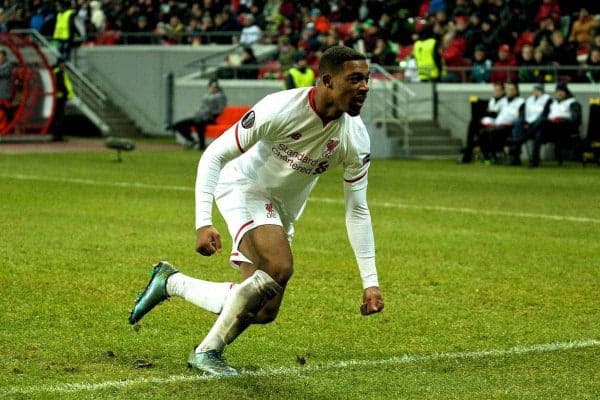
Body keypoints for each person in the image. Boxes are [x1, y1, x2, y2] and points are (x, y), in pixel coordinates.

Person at [128, 46, 384, 376]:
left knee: (262, 310)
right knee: (279, 265)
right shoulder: (281, 108)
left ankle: (170, 282)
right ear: (327, 81)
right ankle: (207, 352)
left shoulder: (355, 138)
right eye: (355, 79)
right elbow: (214, 155)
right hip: (244, 187)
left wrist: (371, 283)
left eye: (367, 79)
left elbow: (357, 210)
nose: (364, 86)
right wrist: (202, 222)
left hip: (281, 212)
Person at [529, 82, 581, 167]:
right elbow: (544, 115)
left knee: (542, 122)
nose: (559, 93)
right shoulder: (552, 103)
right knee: (539, 133)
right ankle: (535, 160)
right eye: (557, 91)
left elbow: (576, 120)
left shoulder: (573, 103)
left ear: (566, 92)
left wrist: (563, 119)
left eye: (562, 91)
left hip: (564, 129)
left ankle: (523, 137)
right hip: (550, 129)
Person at [171, 78, 227, 150]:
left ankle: (202, 144)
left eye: (215, 87)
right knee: (178, 125)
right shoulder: (206, 95)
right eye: (212, 87)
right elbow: (202, 107)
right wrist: (199, 113)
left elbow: (220, 109)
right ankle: (192, 141)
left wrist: (210, 113)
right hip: (199, 117)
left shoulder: (220, 96)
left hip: (211, 118)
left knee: (199, 123)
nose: (213, 88)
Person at [460, 81, 507, 163]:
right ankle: (469, 150)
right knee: (473, 123)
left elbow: (497, 114)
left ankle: (468, 151)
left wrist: (489, 113)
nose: (496, 92)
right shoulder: (492, 100)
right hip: (487, 123)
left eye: (498, 90)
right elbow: (489, 111)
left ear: (503, 91)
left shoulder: (505, 101)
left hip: (498, 125)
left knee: (474, 124)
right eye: (495, 90)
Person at [478, 82, 524, 162]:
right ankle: (489, 156)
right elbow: (494, 111)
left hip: (509, 125)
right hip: (498, 124)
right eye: (508, 90)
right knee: (483, 131)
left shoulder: (520, 102)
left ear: (516, 91)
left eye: (511, 90)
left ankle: (500, 155)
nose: (509, 91)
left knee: (492, 132)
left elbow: (520, 116)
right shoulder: (503, 101)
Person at [507, 83, 551, 165]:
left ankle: (535, 159)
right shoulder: (529, 100)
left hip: (541, 127)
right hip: (528, 125)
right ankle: (516, 157)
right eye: (534, 90)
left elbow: (545, 114)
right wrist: (525, 122)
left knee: (538, 133)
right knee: (517, 124)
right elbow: (523, 113)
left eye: (538, 90)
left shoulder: (548, 99)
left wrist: (532, 125)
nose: (535, 91)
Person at [50, 57, 74, 141]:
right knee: (60, 117)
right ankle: (58, 136)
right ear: (61, 63)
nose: (64, 65)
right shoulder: (59, 72)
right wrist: (66, 93)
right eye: (63, 63)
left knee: (58, 117)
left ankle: (57, 135)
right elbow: (61, 84)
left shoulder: (56, 71)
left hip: (58, 96)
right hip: (60, 96)